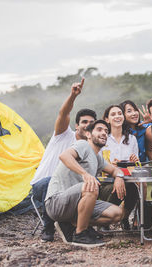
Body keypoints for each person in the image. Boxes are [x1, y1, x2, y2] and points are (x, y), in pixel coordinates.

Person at [30, 77, 97, 242]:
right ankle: (48, 227)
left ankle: (82, 225)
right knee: (51, 181)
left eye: (91, 123)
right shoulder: (63, 135)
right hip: (42, 186)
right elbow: (63, 113)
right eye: (84, 122)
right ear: (76, 125)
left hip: (69, 191)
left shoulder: (91, 148)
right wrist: (73, 96)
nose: (88, 125)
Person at [45, 120, 125, 247]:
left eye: (106, 131)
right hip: (56, 201)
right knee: (91, 186)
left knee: (117, 213)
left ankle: (72, 224)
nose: (104, 133)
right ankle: (80, 234)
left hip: (76, 203)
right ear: (88, 134)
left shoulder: (97, 157)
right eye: (99, 129)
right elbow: (64, 156)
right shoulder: (83, 145)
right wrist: (85, 174)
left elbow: (115, 170)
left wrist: (119, 177)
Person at [99, 104, 140, 230]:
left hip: (128, 180)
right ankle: (104, 221)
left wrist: (135, 162)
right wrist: (111, 167)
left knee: (133, 189)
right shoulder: (102, 139)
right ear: (107, 119)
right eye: (113, 114)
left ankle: (124, 218)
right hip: (106, 182)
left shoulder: (132, 139)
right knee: (117, 188)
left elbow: (135, 168)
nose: (117, 116)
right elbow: (98, 165)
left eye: (119, 113)